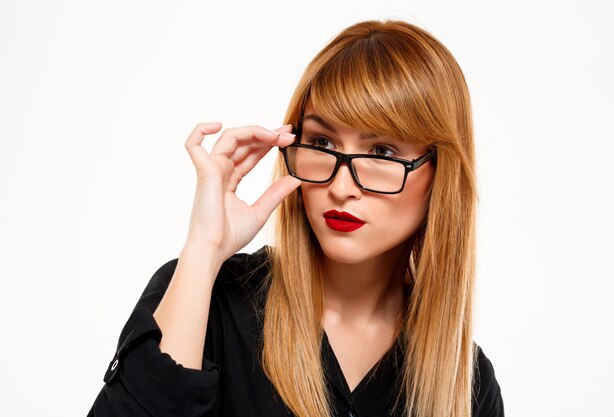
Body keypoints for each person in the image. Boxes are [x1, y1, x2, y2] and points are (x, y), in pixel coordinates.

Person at [88, 19, 504, 417]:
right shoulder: (208, 297)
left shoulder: (469, 384)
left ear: (440, 173)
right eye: (321, 141)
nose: (341, 187)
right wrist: (203, 250)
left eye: (382, 152)